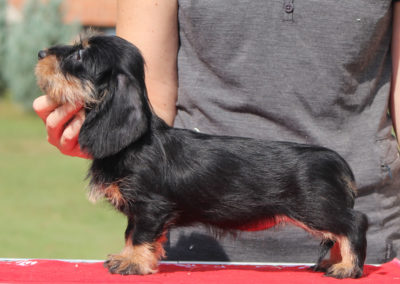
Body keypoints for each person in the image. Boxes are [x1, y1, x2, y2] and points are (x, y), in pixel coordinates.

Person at [34, 0, 400, 264]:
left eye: (80, 56)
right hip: (199, 254)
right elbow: (152, 95)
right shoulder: (137, 139)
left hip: (375, 227)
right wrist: (96, 133)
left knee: (316, 207)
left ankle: (346, 244)